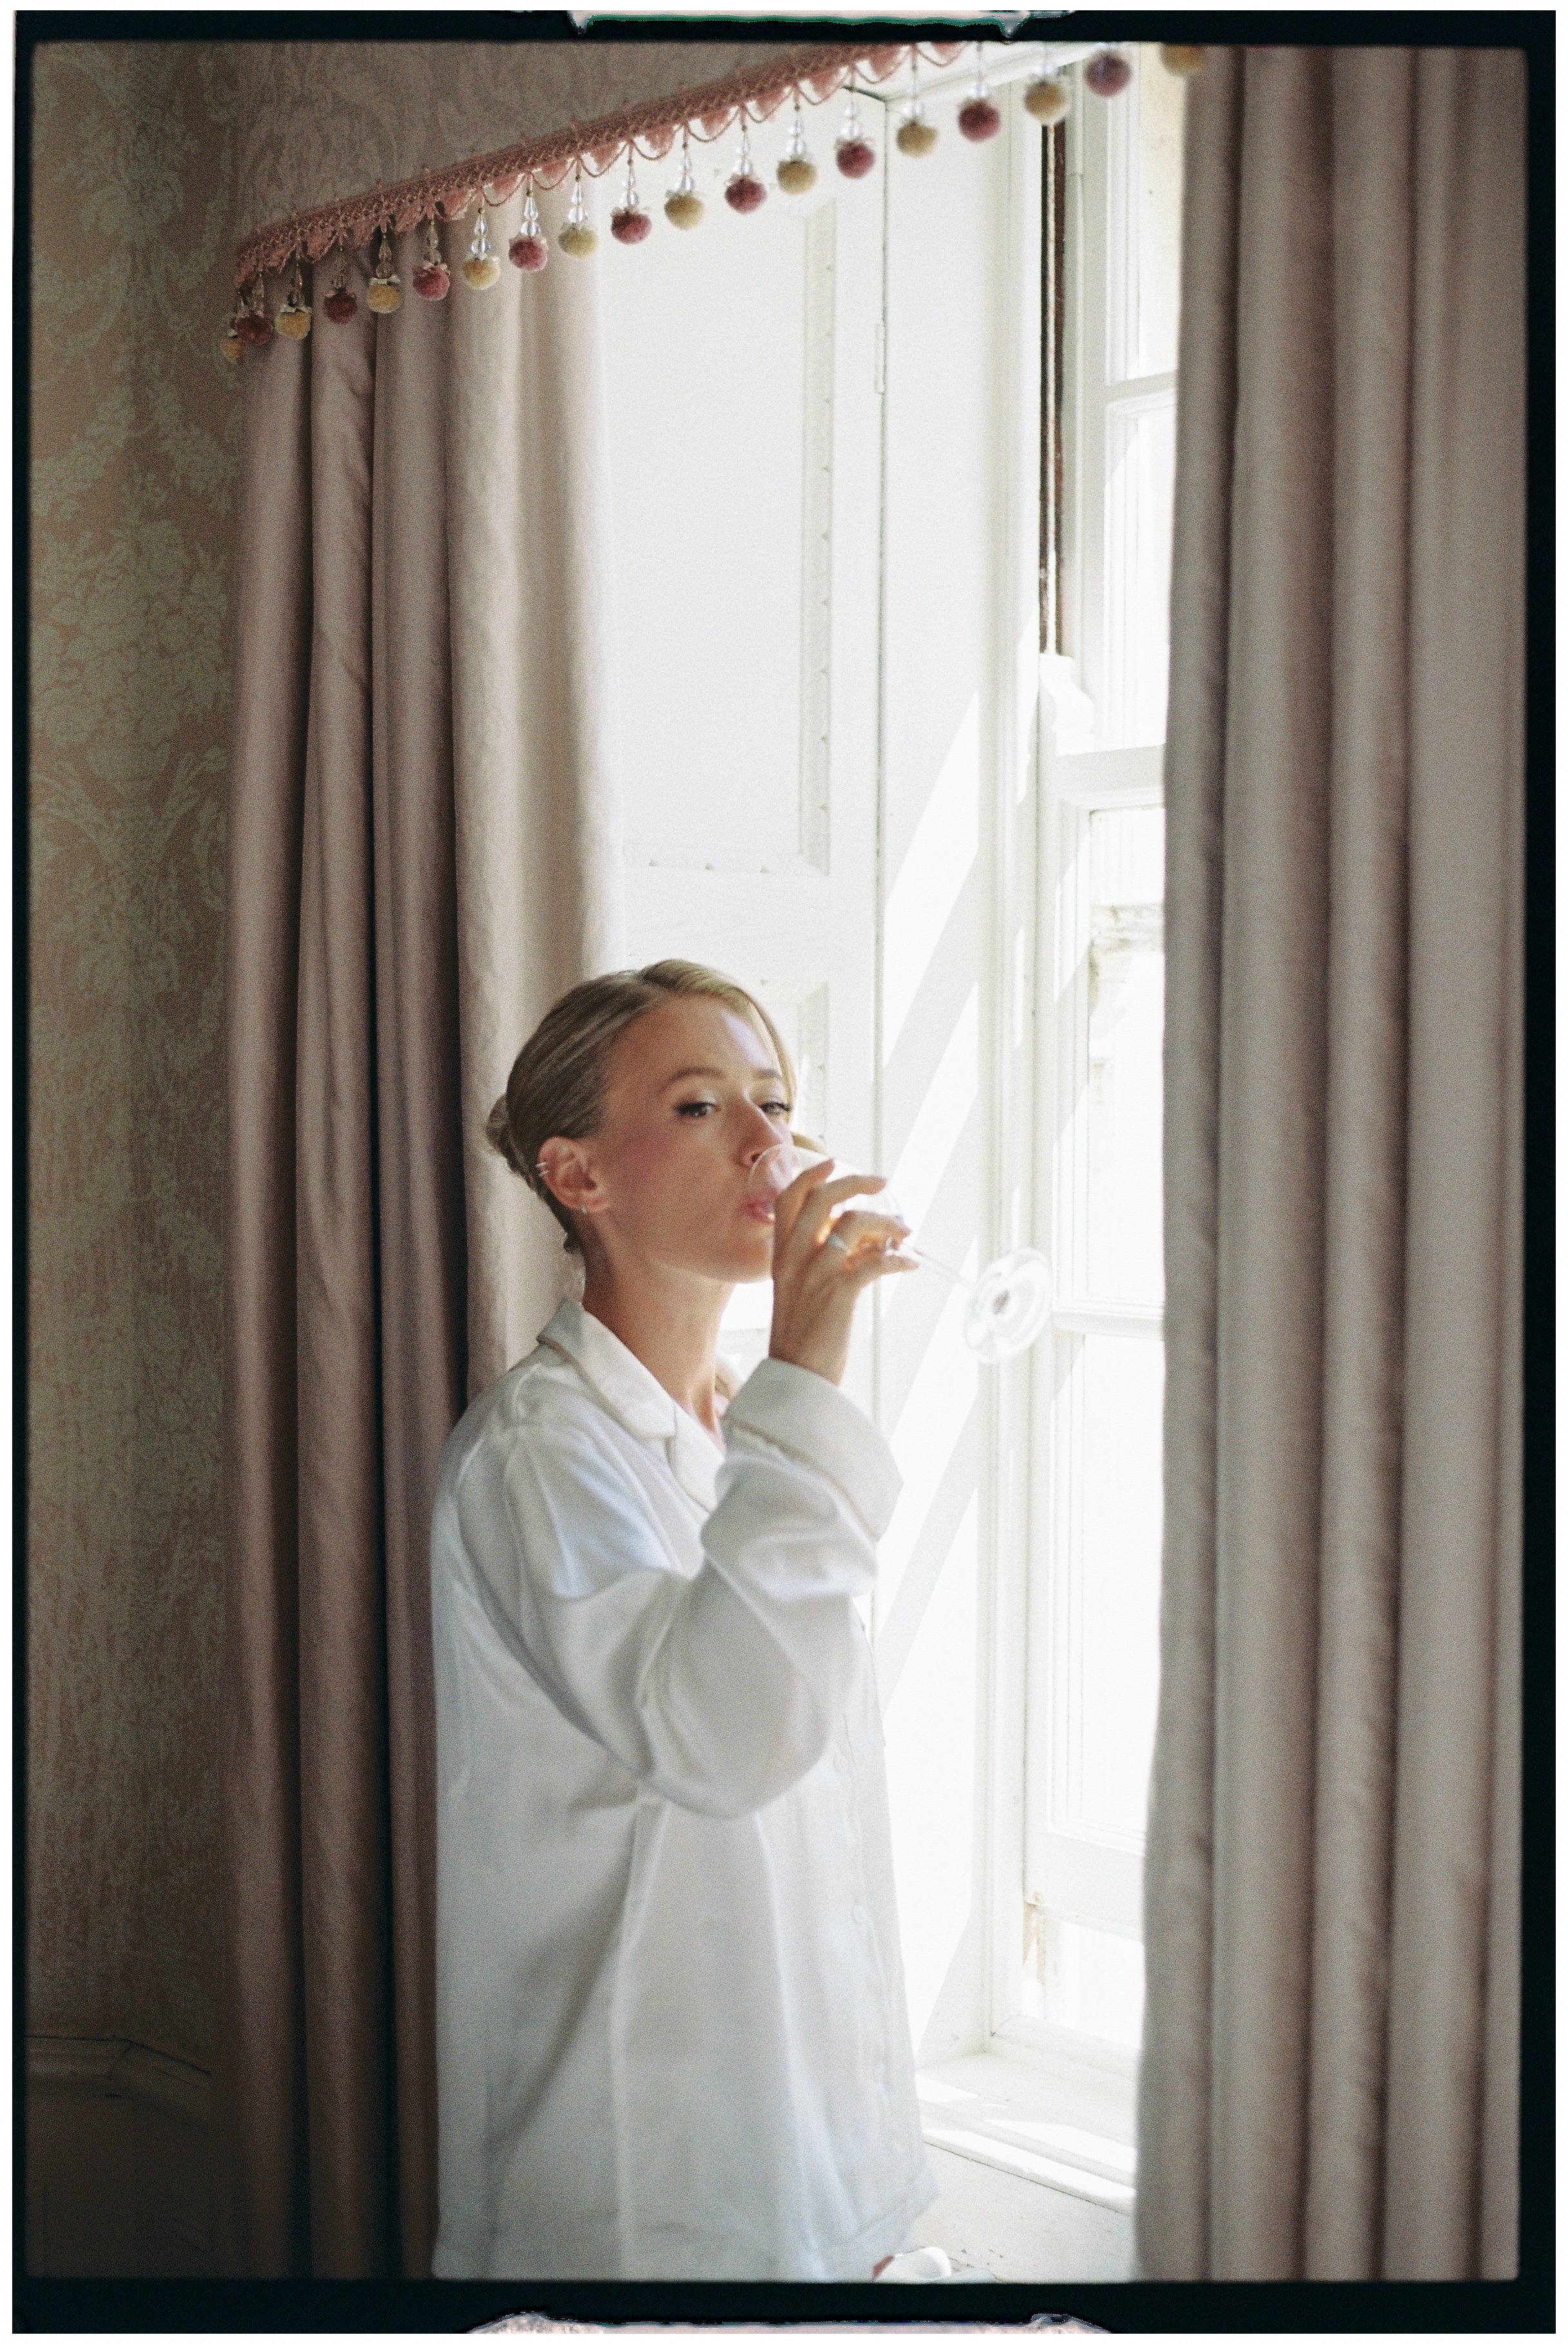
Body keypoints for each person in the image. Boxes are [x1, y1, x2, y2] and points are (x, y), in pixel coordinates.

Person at [429, 958, 942, 2281]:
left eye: (774, 1097)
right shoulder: (536, 1461)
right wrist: (809, 1372)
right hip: (641, 2188)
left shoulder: (742, 1437)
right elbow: (716, 1739)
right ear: (578, 1176)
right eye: (704, 1105)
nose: (770, 1136)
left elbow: (809, 1808)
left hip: (806, 2155)